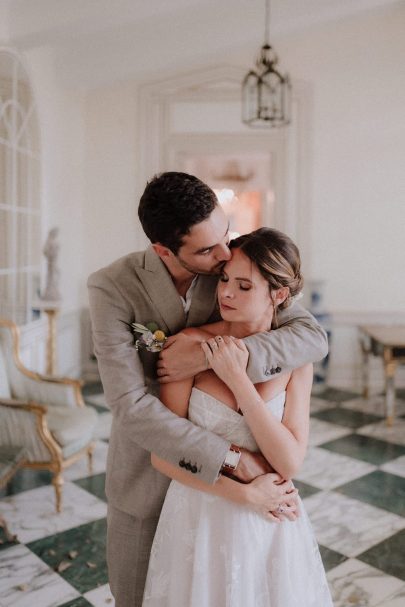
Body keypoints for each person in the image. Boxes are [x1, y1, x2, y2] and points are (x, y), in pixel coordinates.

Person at [87, 172, 328, 607]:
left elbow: (310, 337)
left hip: (238, 510)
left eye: (225, 234)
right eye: (205, 249)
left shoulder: (233, 265)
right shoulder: (112, 286)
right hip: (149, 476)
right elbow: (130, 407)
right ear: (164, 251)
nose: (223, 255)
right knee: (138, 597)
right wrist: (236, 462)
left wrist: (208, 356)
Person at [143, 228, 333, 606]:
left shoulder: (296, 361)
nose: (226, 293)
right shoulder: (188, 347)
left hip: (269, 524)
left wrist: (237, 379)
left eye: (244, 286)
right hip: (201, 515)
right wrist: (244, 494)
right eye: (225, 280)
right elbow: (162, 454)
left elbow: (290, 461)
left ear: (278, 295)